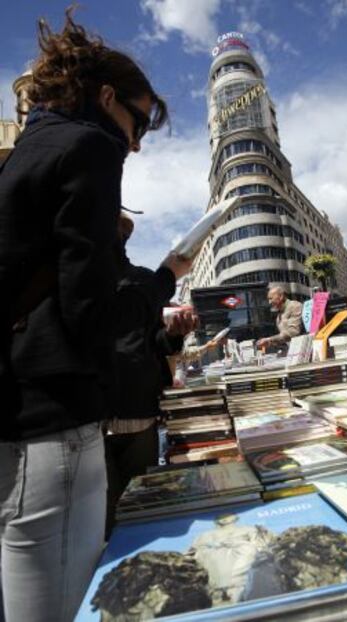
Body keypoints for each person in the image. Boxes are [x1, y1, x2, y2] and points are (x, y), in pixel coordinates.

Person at [0, 8, 168, 622]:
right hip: (56, 422)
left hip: (18, 412)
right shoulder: (90, 147)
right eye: (138, 123)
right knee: (60, 607)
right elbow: (90, 311)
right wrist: (161, 284)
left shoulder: (28, 151)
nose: (136, 142)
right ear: (104, 97)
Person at [105, 212, 196, 536]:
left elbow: (154, 342)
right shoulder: (80, 278)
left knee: (139, 506)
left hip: (138, 416)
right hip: (89, 423)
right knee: (104, 516)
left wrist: (174, 333)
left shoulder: (141, 281)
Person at [256, 284, 303, 351]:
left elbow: (293, 332)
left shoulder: (295, 306)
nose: (269, 302)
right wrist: (269, 343)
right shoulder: (279, 316)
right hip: (292, 351)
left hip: (302, 350)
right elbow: (283, 338)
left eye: (271, 298)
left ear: (281, 296)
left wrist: (270, 339)